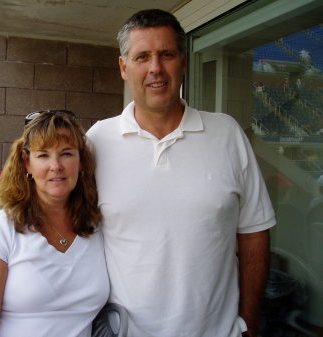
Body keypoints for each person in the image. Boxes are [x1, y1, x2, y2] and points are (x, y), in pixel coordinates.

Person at [86, 9, 276, 337]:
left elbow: (254, 233)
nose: (155, 68)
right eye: (142, 56)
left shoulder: (227, 134)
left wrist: (248, 323)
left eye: (167, 55)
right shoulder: (96, 142)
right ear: (123, 67)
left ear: (184, 62)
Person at [0, 111, 109, 337]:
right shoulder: (1, 228)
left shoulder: (97, 228)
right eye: (43, 155)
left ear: (81, 161)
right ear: (26, 163)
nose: (56, 166)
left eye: (66, 154)